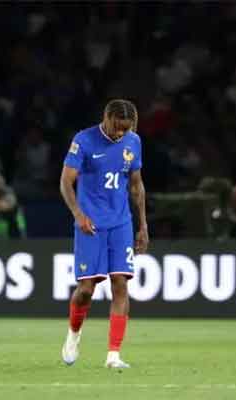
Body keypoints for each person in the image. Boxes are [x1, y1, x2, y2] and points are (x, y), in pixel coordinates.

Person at [59, 99, 149, 368]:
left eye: (125, 129)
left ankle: (113, 355)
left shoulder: (133, 142)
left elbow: (136, 185)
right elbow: (66, 181)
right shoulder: (84, 140)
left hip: (120, 223)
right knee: (86, 289)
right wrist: (78, 214)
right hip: (90, 224)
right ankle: (73, 335)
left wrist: (143, 225)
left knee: (120, 283)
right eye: (117, 127)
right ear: (106, 117)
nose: (120, 133)